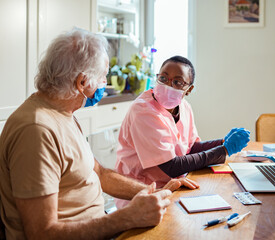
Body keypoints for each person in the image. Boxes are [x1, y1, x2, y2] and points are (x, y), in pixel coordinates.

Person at [0, 29, 197, 240]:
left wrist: (155, 193)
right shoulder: (36, 130)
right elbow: (41, 233)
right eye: (104, 77)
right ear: (82, 82)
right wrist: (126, 218)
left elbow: (100, 174)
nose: (105, 83)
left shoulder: (63, 114)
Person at [115, 55, 250, 207]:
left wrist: (222, 142)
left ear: (189, 89)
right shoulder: (143, 111)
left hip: (173, 187)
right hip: (141, 195)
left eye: (177, 82)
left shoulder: (184, 108)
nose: (168, 85)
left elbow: (191, 148)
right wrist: (223, 150)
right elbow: (172, 167)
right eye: (163, 78)